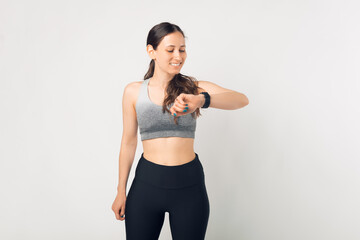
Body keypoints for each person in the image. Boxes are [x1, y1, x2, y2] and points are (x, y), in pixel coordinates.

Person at [111, 22, 249, 240]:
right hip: (146, 185)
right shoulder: (133, 91)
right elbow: (128, 143)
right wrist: (121, 191)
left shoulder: (193, 89)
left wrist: (200, 100)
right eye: (170, 49)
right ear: (151, 51)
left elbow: (241, 100)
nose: (178, 55)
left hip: (189, 186)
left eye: (182, 49)